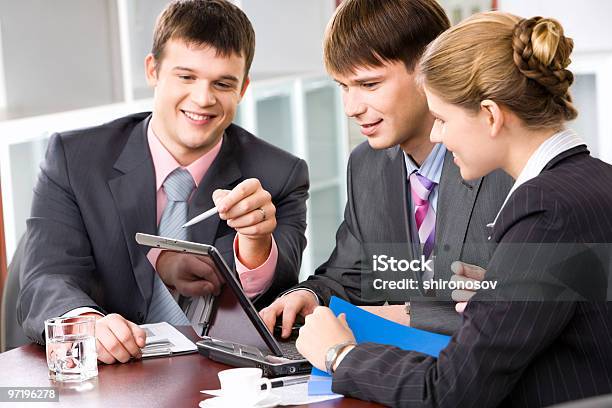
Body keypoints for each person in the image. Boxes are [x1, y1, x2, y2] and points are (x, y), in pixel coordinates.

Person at [296, 11, 612, 407]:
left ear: (491, 115)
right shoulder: (595, 180)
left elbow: (448, 392)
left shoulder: (543, 207)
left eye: (443, 119)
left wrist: (339, 355)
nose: (436, 134)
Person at [17, 0, 309, 364]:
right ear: (153, 70)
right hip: (109, 376)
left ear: (243, 88)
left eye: (222, 83)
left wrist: (255, 242)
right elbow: (45, 278)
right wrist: (87, 322)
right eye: (186, 77)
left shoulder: (281, 174)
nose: (203, 99)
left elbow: (276, 305)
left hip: (222, 379)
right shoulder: (73, 158)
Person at [260, 0, 512, 338]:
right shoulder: (366, 165)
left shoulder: (503, 163)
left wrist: (406, 315)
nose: (351, 107)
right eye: (343, 87)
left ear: (428, 70)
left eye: (369, 84)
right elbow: (350, 277)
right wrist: (308, 296)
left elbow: (520, 304)